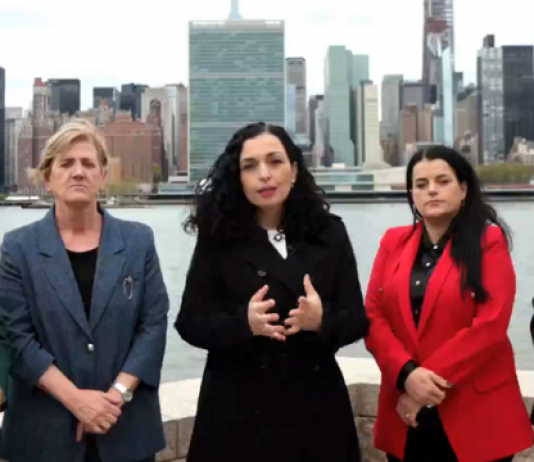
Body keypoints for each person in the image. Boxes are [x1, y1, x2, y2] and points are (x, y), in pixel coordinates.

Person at [176, 122, 369, 462]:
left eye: (275, 161)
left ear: (293, 170)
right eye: (250, 166)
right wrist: (244, 323)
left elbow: (356, 320)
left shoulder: (329, 233)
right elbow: (190, 321)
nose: (264, 175)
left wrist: (320, 320)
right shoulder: (218, 238)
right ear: (238, 178)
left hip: (316, 410)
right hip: (237, 413)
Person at [0, 119, 169, 462]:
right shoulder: (16, 248)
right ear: (47, 178)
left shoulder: (138, 241)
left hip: (124, 428)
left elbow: (153, 325)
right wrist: (77, 401)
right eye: (66, 163)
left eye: (88, 163)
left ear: (102, 176)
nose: (78, 172)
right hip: (43, 437)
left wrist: (116, 395)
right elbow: (17, 338)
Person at [365, 146, 533, 462]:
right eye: (421, 184)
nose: (432, 190)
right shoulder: (392, 242)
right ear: (411, 194)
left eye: (443, 181)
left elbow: (490, 325)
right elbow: (373, 315)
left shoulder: (489, 242)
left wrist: (425, 384)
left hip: (474, 410)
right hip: (405, 410)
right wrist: (406, 375)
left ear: (463, 189)